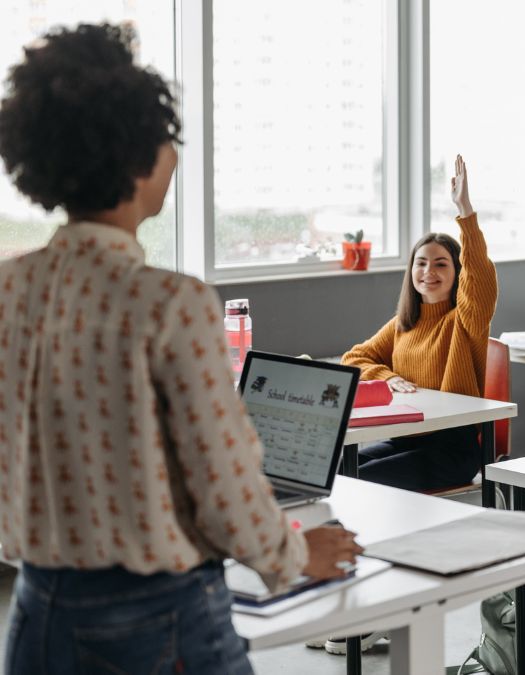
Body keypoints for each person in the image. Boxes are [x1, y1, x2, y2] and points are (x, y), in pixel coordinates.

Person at [0, 24, 360, 674]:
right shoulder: (171, 303)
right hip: (158, 619)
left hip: (35, 610)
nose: (174, 154)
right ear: (136, 157)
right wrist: (294, 553)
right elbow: (223, 480)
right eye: (169, 140)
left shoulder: (9, 288)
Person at [341, 155, 498, 492]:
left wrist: (466, 212)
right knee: (335, 469)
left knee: (359, 482)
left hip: (452, 451)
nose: (429, 272)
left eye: (441, 264)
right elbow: (353, 358)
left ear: (457, 273)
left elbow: (481, 278)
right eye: (421, 263)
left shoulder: (466, 320)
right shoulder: (403, 324)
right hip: (406, 440)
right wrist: (388, 377)